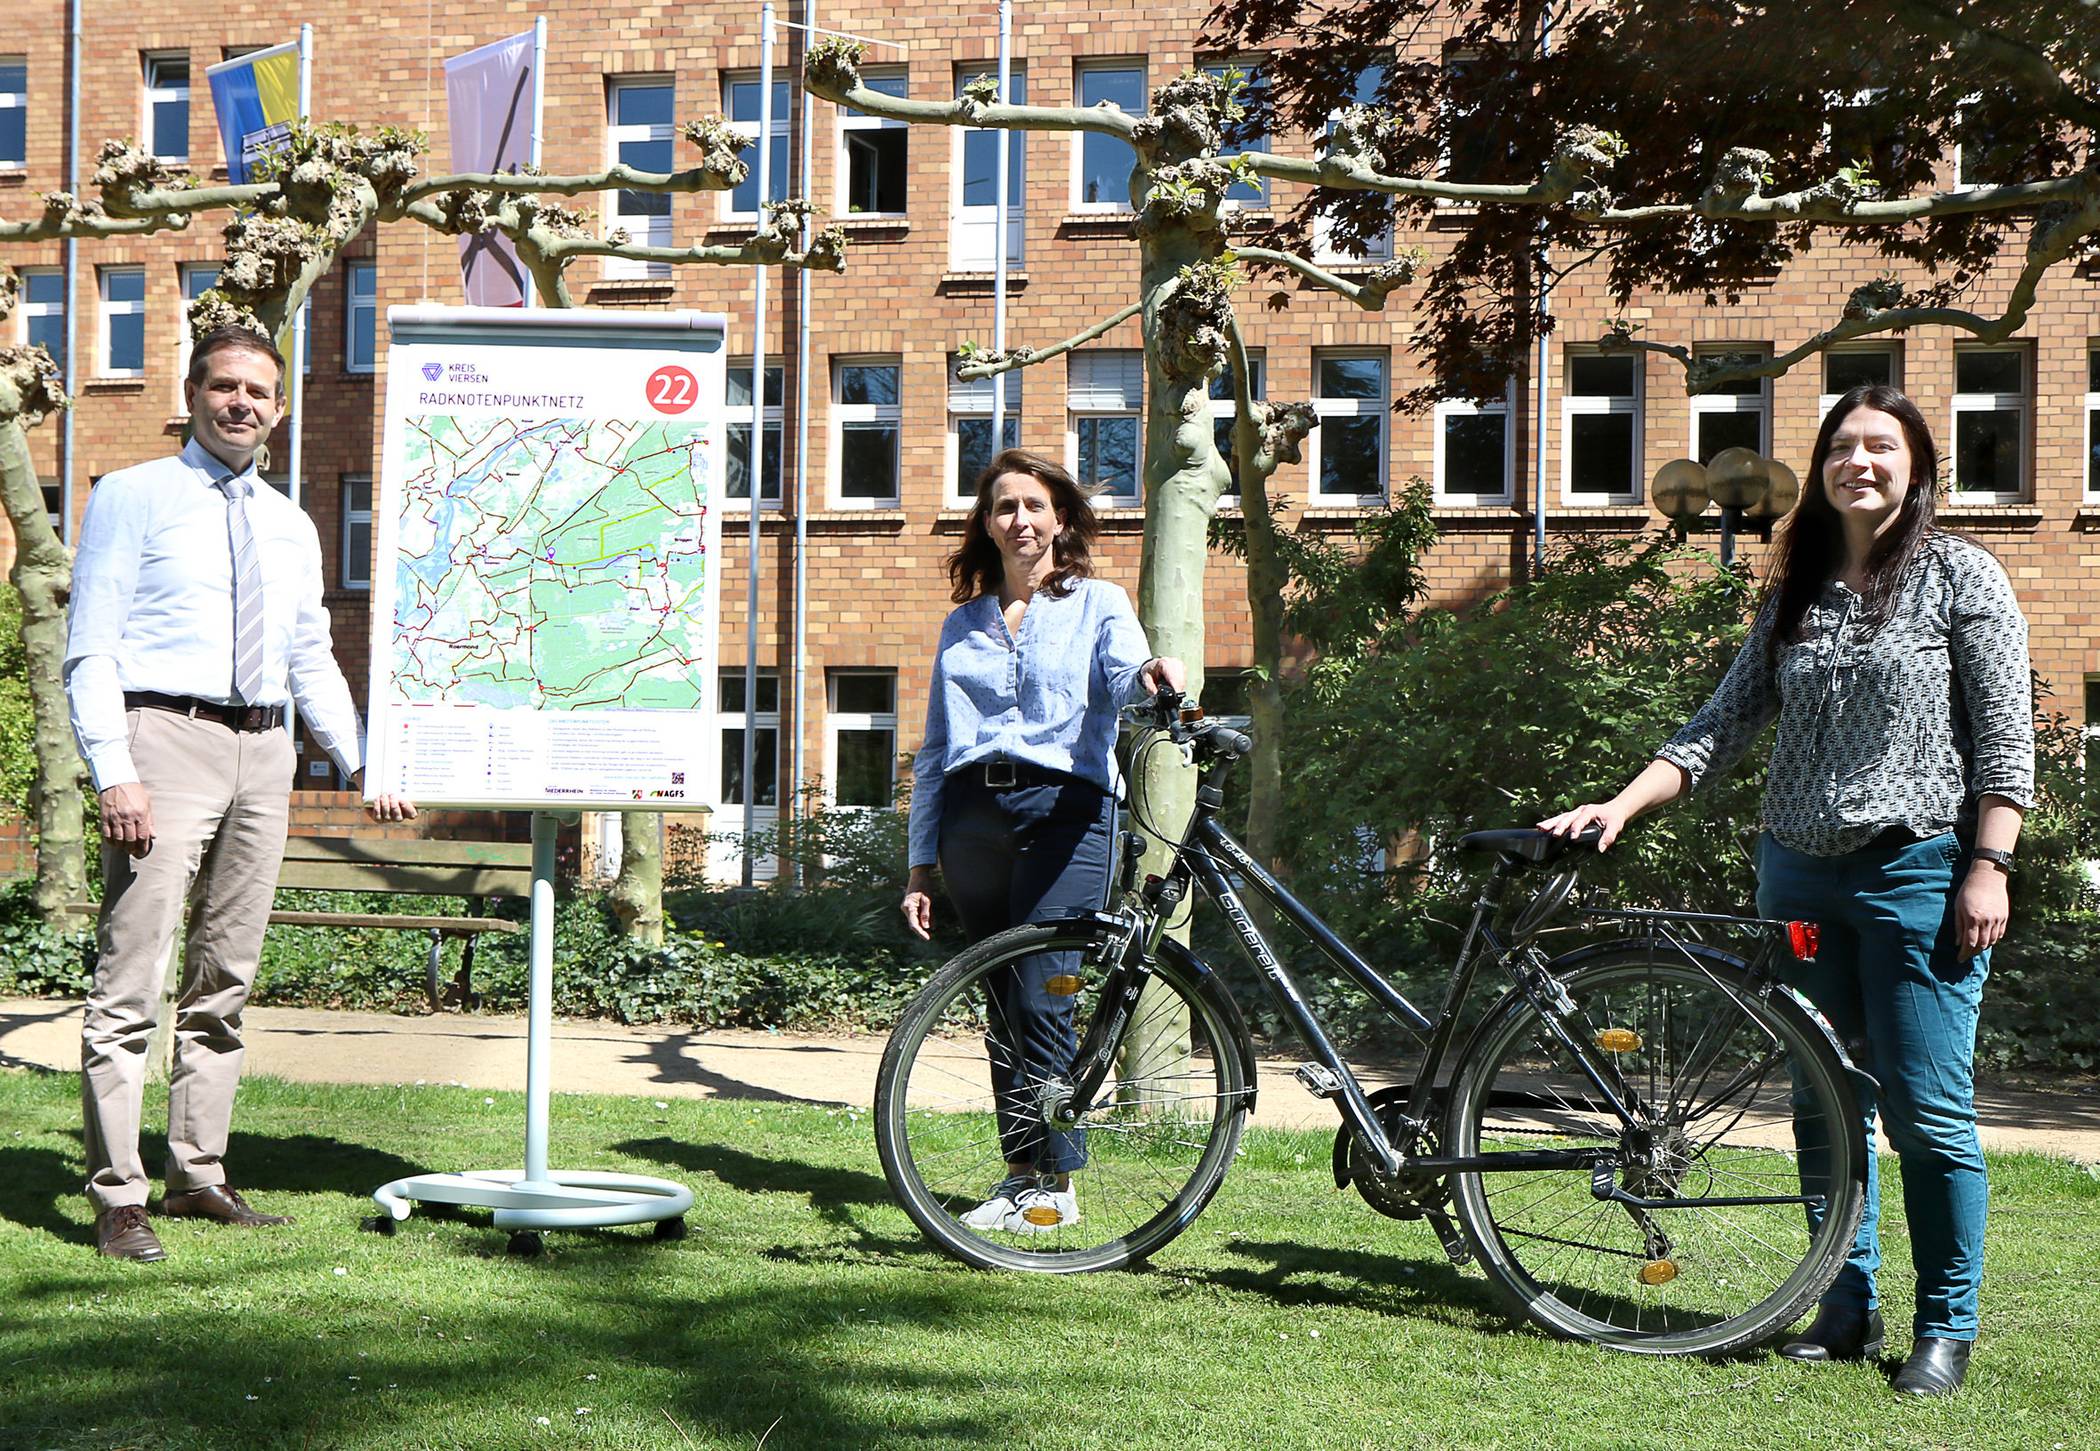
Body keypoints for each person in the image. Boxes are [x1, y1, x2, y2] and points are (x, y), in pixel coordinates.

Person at [1541, 383, 2031, 1396]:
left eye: (1881, 447)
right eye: (1843, 447)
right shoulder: (1797, 590)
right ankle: (1843, 1300)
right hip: (1797, 874)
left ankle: (1947, 1324)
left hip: (1920, 870)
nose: (1860, 462)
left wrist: (1990, 863)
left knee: (1926, 1110)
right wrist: (1623, 803)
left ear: (1916, 463)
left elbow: (2006, 739)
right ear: (1822, 468)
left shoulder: (1961, 577)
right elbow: (1719, 723)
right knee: (1822, 1096)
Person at [65, 325, 417, 1262]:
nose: (241, 404)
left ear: (279, 407)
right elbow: (91, 647)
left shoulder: (292, 523)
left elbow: (310, 652)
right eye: (224, 387)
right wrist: (115, 769)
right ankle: (117, 1196)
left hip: (266, 753)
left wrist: (358, 759)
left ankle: (199, 1174)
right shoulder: (133, 496)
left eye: (258, 392)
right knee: (132, 981)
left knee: (224, 981)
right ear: (192, 393)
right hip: (163, 741)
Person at [900, 447, 1184, 1234]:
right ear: (985, 525)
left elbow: (1129, 677)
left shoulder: (1098, 603)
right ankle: (1019, 1170)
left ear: (1060, 518)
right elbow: (933, 749)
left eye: (1033, 505)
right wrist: (921, 861)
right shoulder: (963, 624)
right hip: (971, 817)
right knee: (999, 1001)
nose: (1019, 520)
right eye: (1003, 508)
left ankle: (1058, 1180)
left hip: (1067, 812)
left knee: (1043, 986)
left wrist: (1159, 670)